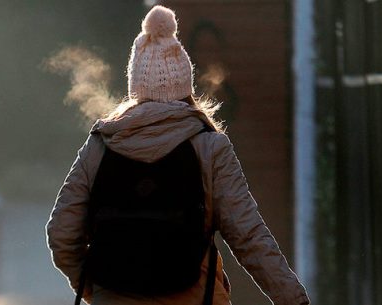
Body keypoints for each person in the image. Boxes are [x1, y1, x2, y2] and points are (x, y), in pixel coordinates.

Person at [46, 5, 309, 305]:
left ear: (135, 87)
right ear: (186, 86)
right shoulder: (209, 147)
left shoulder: (101, 145)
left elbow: (61, 234)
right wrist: (294, 300)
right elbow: (248, 236)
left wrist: (97, 290)